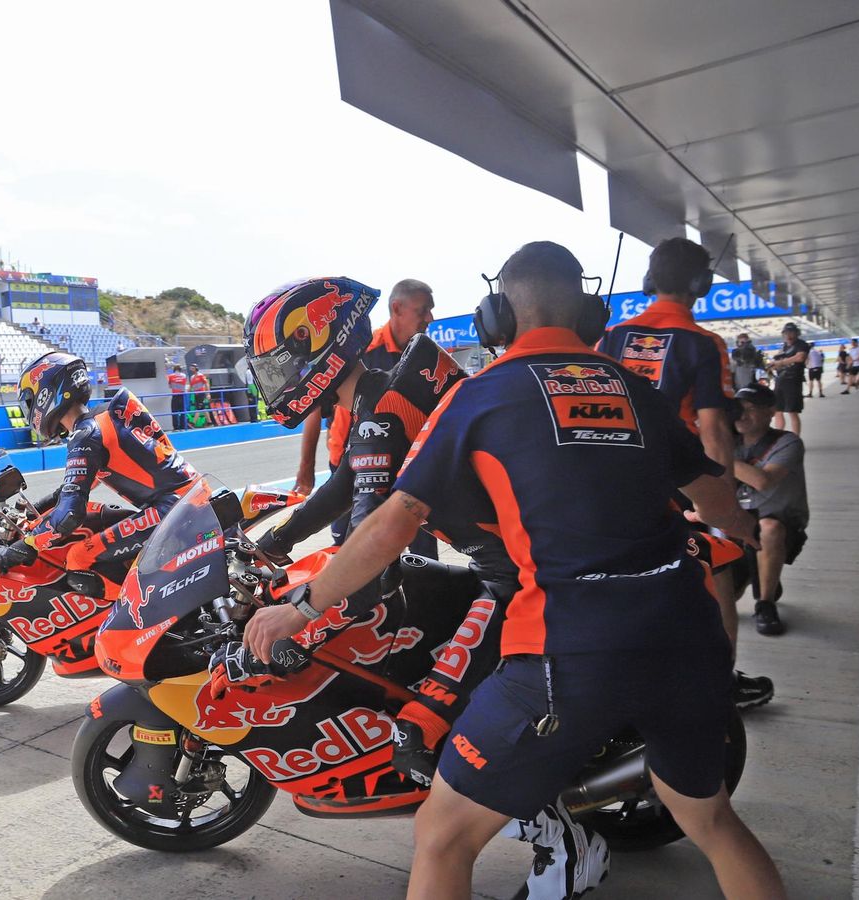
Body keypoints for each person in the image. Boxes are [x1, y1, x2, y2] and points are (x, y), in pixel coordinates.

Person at [244, 241, 783, 900]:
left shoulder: (481, 397)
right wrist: (748, 529)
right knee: (713, 820)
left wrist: (301, 606)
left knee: (443, 836)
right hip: (688, 639)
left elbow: (388, 525)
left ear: (496, 315)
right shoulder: (633, 388)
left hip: (566, 650)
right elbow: (719, 501)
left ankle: (559, 840)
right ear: (587, 311)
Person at [239, 277, 476, 776]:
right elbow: (343, 487)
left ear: (320, 346)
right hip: (503, 556)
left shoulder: (382, 414)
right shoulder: (377, 398)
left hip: (518, 572)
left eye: (280, 365)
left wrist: (298, 610)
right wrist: (268, 544)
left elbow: (369, 556)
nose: (276, 379)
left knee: (418, 742)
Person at [600, 236, 773, 708]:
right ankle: (721, 683)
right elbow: (715, 432)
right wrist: (728, 509)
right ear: (702, 284)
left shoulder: (612, 337)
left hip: (609, 486)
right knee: (713, 574)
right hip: (675, 485)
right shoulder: (703, 344)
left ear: (649, 280)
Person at [0, 353, 201, 671]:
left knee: (80, 557)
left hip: (172, 508)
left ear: (46, 394)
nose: (30, 413)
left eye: (29, 403)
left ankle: (134, 631)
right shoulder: (100, 419)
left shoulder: (85, 434)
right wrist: (35, 513)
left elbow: (68, 515)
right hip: (184, 500)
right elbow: (73, 490)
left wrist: (17, 550)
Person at [294, 278, 435, 496]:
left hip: (403, 469)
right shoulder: (360, 349)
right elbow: (315, 408)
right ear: (397, 308)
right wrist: (306, 470)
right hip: (348, 468)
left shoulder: (424, 356)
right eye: (423, 310)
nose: (430, 318)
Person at [732, 385, 809, 636]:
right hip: (738, 524)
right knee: (726, 595)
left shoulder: (787, 442)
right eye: (737, 409)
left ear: (770, 412)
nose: (742, 415)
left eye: (751, 409)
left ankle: (765, 604)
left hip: (781, 523)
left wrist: (717, 455)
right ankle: (764, 576)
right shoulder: (727, 441)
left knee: (770, 529)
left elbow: (763, 480)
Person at [767, 322, 811, 433]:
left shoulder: (801, 344)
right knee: (777, 410)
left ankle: (796, 438)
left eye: (791, 332)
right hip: (780, 380)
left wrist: (781, 362)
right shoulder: (784, 347)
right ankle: (778, 437)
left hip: (793, 381)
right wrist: (774, 365)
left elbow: (800, 357)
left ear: (797, 333)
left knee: (792, 412)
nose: (788, 335)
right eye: (786, 333)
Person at [166, 363, 188, 431]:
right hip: (182, 395)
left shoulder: (170, 376)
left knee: (174, 412)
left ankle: (176, 427)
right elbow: (185, 384)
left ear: (174, 369)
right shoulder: (184, 376)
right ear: (180, 370)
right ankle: (183, 426)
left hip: (175, 395)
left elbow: (169, 386)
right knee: (183, 411)